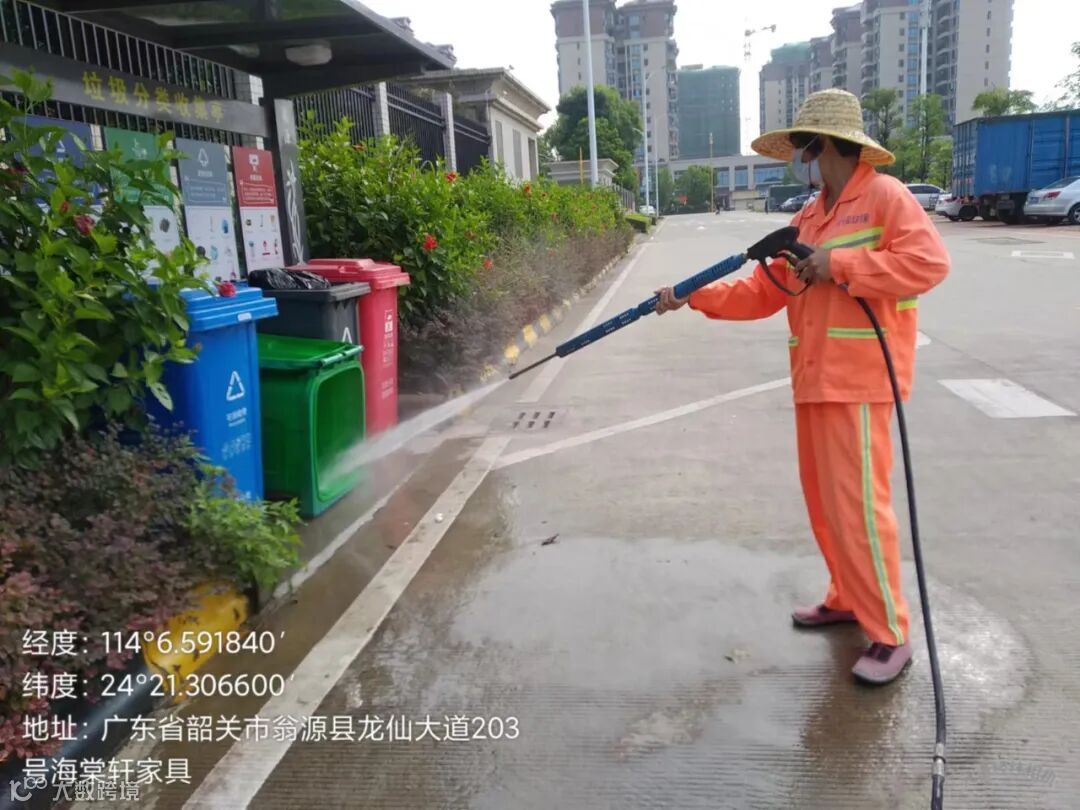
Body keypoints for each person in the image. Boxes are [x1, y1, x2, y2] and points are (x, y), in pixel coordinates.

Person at [655, 89, 950, 685]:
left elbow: (928, 264)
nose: (800, 156)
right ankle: (846, 597)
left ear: (825, 144)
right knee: (825, 506)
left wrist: (840, 265)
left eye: (803, 145)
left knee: (860, 511)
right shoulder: (811, 216)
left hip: (861, 381)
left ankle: (890, 633)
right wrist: (694, 295)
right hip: (814, 379)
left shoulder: (885, 198)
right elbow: (764, 292)